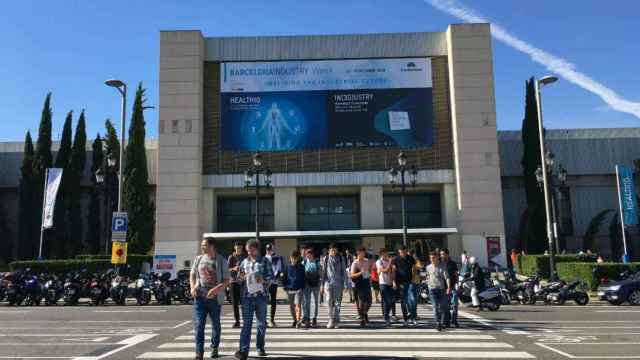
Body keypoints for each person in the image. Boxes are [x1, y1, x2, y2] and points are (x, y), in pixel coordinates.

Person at [190, 237, 230, 359]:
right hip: (199, 298)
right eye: (202, 245)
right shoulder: (198, 259)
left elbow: (226, 280)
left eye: (205, 245)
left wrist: (215, 290)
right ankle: (199, 352)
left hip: (214, 299)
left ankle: (214, 348)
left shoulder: (221, 260)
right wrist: (192, 287)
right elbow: (192, 274)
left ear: (212, 246)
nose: (202, 247)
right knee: (198, 325)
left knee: (215, 324)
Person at [235, 239, 273, 360]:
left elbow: (271, 277)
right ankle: (243, 351)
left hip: (261, 296)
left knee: (261, 324)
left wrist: (263, 280)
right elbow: (239, 280)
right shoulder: (243, 262)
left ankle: (260, 347)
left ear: (257, 249)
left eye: (252, 249)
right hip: (247, 297)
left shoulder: (264, 261)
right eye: (248, 249)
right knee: (247, 324)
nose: (249, 251)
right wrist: (241, 277)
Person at [320, 242, 347, 329]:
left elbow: (344, 272)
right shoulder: (326, 258)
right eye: (332, 250)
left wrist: (346, 284)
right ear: (329, 250)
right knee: (328, 300)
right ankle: (331, 319)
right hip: (328, 283)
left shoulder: (341, 258)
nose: (333, 252)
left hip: (338, 283)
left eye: (335, 250)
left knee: (337, 303)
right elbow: (323, 272)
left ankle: (336, 320)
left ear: (337, 250)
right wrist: (321, 285)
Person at [426, 251, 451, 331]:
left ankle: (443, 322)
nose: (432, 259)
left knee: (443, 306)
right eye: (430, 258)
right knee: (435, 306)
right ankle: (438, 322)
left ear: (437, 257)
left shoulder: (442, 266)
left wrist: (448, 288)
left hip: (441, 289)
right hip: (432, 289)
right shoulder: (428, 267)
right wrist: (427, 283)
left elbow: (447, 278)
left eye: (433, 258)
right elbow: (428, 276)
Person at [392, 245, 416, 326]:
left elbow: (414, 268)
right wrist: (394, 282)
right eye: (402, 252)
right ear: (399, 252)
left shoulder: (410, 258)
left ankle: (412, 317)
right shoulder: (396, 259)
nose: (403, 253)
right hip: (400, 283)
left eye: (405, 252)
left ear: (406, 251)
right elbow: (394, 271)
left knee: (412, 299)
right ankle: (405, 319)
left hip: (409, 282)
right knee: (403, 301)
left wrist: (413, 277)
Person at [283, 249, 305, 328]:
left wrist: (302, 287)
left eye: (295, 258)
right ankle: (295, 320)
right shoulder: (287, 266)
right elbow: (284, 277)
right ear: (290, 258)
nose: (293, 260)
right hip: (289, 289)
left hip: (299, 289)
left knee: (298, 305)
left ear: (298, 258)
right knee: (291, 306)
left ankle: (298, 321)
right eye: (292, 258)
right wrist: (285, 287)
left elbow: (303, 278)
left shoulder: (301, 267)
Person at [350, 246, 371, 328]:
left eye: (364, 252)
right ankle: (362, 319)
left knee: (369, 301)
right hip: (359, 283)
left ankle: (364, 313)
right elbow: (352, 275)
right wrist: (360, 273)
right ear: (358, 253)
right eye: (362, 252)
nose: (363, 254)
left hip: (366, 282)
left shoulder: (367, 261)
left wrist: (369, 275)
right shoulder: (354, 263)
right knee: (361, 301)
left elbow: (368, 270)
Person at [265, 243, 284, 327]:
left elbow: (279, 269)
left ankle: (272, 319)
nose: (269, 251)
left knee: (273, 301)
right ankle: (263, 319)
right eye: (267, 249)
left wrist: (273, 277)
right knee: (264, 301)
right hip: (265, 282)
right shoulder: (264, 258)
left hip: (274, 282)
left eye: (270, 249)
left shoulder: (277, 258)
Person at [227, 242, 246, 328]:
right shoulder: (231, 257)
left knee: (244, 302)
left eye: (240, 247)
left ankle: (246, 320)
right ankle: (237, 321)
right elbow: (227, 269)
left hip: (242, 282)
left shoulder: (245, 257)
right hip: (233, 281)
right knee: (234, 303)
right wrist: (234, 268)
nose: (239, 249)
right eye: (237, 247)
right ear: (234, 247)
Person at [440, 248, 459, 328]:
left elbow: (456, 274)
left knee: (455, 304)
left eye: (443, 254)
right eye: (441, 254)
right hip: (444, 287)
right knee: (446, 305)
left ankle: (454, 320)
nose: (442, 256)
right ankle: (447, 320)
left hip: (453, 286)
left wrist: (458, 284)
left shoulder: (453, 263)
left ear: (447, 254)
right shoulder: (440, 264)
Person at [302, 247, 321, 328]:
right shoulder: (304, 262)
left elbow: (320, 274)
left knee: (315, 302)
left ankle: (314, 318)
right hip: (306, 285)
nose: (307, 256)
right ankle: (307, 319)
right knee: (307, 302)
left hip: (315, 285)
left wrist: (321, 285)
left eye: (309, 254)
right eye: (307, 254)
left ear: (312, 254)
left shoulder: (317, 263)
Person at [376, 248, 394, 327]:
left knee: (391, 301)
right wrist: (390, 263)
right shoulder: (379, 262)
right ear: (381, 254)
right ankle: (386, 317)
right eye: (384, 253)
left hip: (390, 283)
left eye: (386, 253)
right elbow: (384, 270)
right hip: (383, 283)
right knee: (387, 301)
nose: (386, 255)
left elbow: (393, 272)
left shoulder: (389, 262)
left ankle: (386, 315)